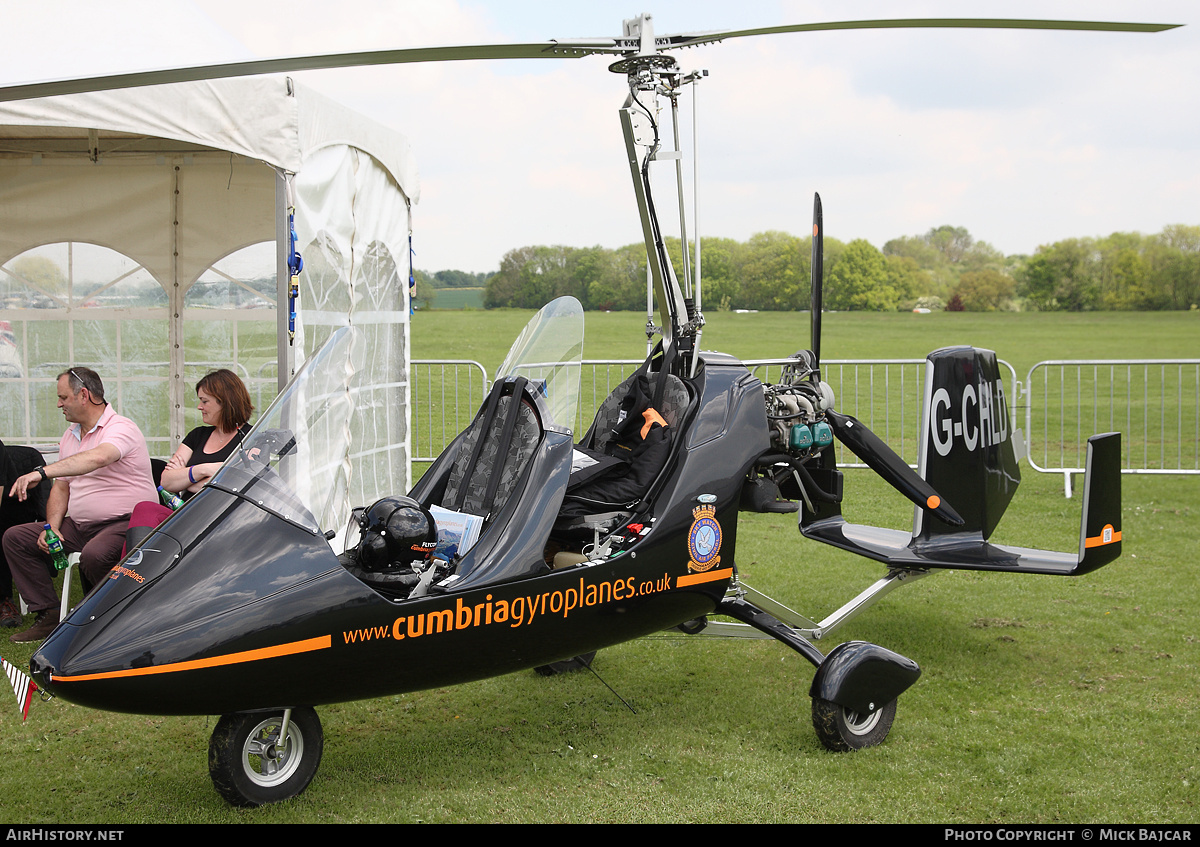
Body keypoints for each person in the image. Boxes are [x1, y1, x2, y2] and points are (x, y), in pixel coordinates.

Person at [4, 368, 157, 642]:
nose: (59, 404)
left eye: (63, 397)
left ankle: (110, 619)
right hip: (80, 525)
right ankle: (49, 616)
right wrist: (51, 527)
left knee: (94, 554)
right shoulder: (70, 435)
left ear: (84, 395)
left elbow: (99, 457)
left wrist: (41, 472)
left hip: (124, 523)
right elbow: (61, 487)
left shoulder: (121, 427)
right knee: (15, 538)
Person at [159, 369, 254, 500]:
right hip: (184, 514)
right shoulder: (197, 435)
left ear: (225, 402)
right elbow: (166, 481)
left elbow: (237, 483)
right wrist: (204, 470)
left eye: (204, 401)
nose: (199, 407)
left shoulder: (251, 437)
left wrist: (186, 481)